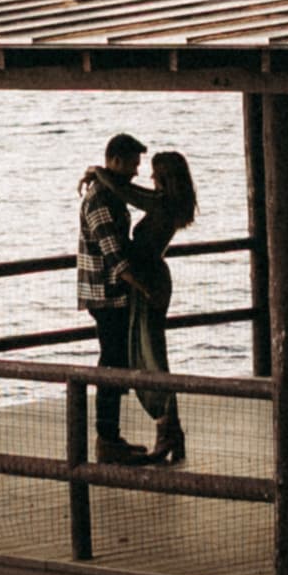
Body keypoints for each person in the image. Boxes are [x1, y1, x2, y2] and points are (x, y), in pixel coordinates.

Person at [75, 133, 155, 465]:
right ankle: (106, 438)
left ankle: (110, 437)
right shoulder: (101, 200)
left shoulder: (111, 192)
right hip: (107, 295)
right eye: (133, 164)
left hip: (108, 293)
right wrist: (145, 288)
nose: (136, 171)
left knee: (115, 359)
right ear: (117, 161)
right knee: (111, 363)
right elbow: (114, 256)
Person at [126, 145, 197, 464]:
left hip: (150, 282)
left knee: (152, 356)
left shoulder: (162, 203)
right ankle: (171, 432)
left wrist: (99, 174)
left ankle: (166, 431)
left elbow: (128, 193)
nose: (151, 177)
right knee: (151, 354)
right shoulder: (168, 203)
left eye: (155, 172)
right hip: (152, 278)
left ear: (165, 177)